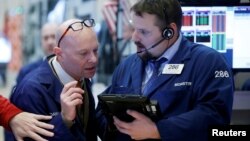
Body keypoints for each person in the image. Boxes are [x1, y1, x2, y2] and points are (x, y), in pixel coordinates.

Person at [97, 0, 234, 140]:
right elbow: (101, 112)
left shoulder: (208, 62)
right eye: (134, 29)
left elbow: (215, 116)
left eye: (143, 32)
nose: (134, 38)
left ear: (170, 32)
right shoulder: (127, 65)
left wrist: (158, 130)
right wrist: (117, 127)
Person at [7, 18, 99, 141]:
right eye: (83, 53)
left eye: (95, 50)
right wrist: (64, 120)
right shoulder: (30, 92)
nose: (94, 59)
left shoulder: (80, 74)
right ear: (59, 54)